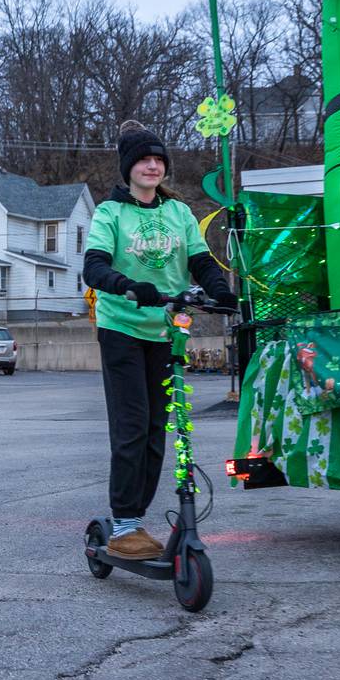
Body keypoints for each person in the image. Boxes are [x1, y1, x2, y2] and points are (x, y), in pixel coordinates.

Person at [83, 121, 236, 560]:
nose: (153, 165)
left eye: (159, 159)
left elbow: (200, 260)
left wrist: (220, 291)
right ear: (129, 166)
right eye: (144, 159)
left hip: (166, 333)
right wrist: (128, 284)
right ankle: (125, 525)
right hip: (122, 329)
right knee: (131, 427)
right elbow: (93, 268)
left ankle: (135, 520)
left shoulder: (179, 213)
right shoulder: (111, 213)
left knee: (155, 431)